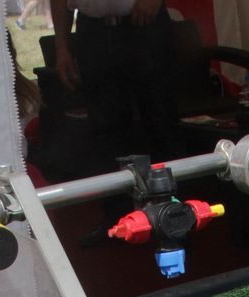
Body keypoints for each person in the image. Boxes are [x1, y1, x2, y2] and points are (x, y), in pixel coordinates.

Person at [48, 1, 182, 172]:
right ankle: (119, 195)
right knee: (105, 128)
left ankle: (172, 193)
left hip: (144, 25)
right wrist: (61, 47)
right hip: (93, 31)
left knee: (160, 119)